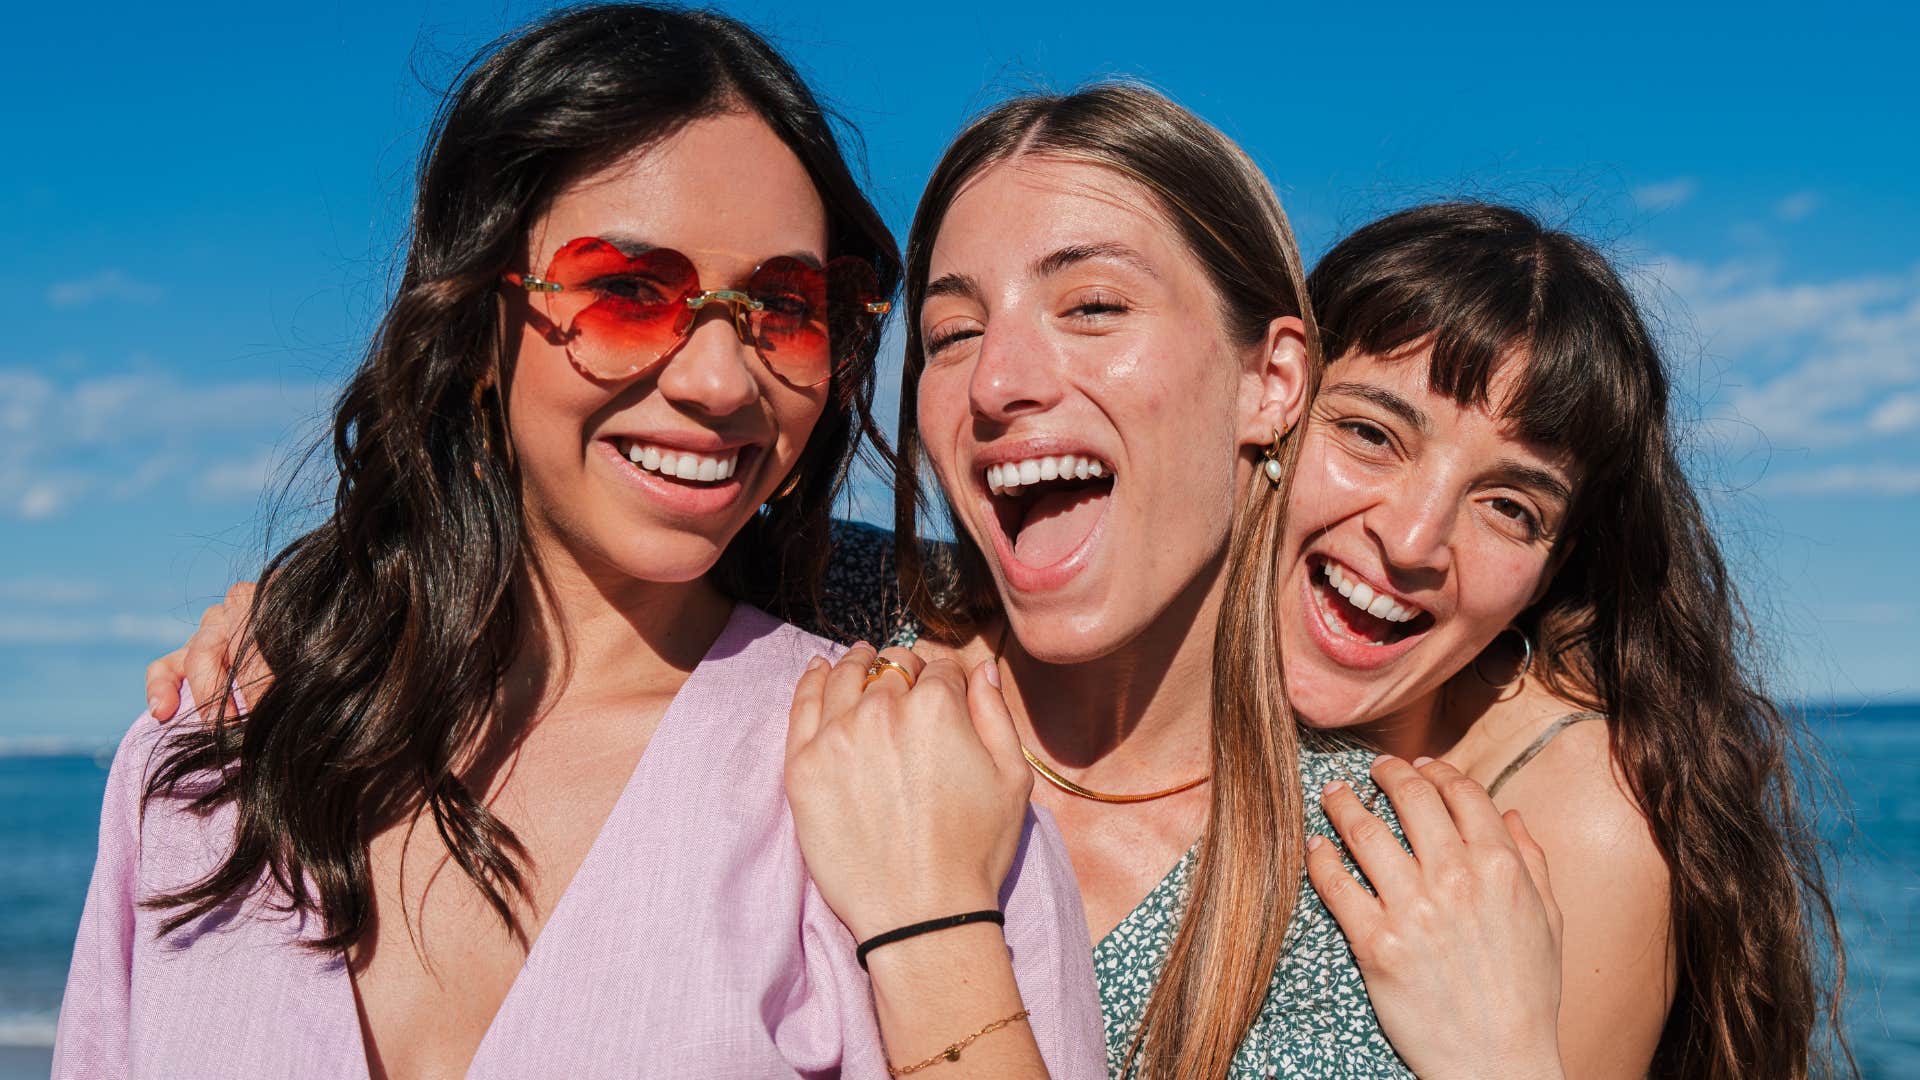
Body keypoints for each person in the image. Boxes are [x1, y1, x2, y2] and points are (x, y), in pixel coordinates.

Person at [55, 7, 1104, 1079]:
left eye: (784, 307)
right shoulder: (206, 760)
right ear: (474, 329)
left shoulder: (914, 792)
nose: (718, 380)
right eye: (629, 293)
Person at [1291, 204, 1848, 1078]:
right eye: (1371, 435)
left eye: (1510, 506)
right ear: (1269, 403)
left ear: (1552, 572)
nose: (1411, 540)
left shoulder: (1583, 825)